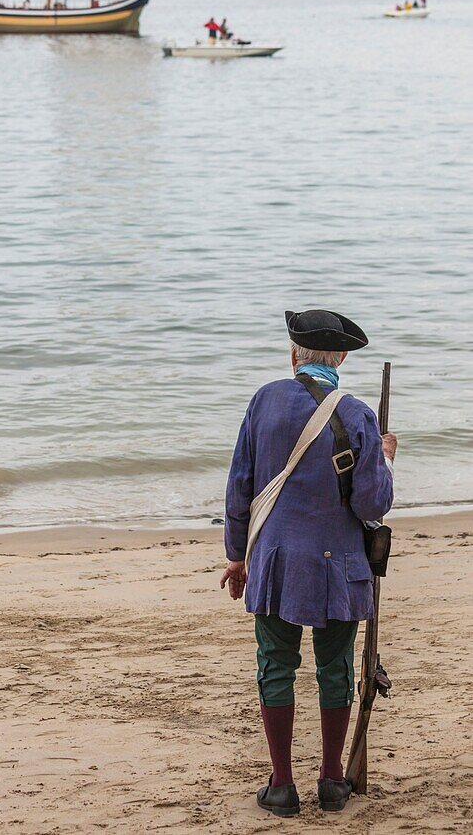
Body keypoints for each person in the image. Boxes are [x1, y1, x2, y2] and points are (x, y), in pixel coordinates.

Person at [221, 309, 396, 817]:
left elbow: (240, 486)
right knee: (335, 670)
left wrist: (237, 556)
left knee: (276, 668)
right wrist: (384, 459)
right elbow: (372, 505)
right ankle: (333, 783)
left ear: (294, 355)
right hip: (339, 565)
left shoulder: (264, 401)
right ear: (341, 358)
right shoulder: (359, 414)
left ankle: (281, 787)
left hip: (273, 561)